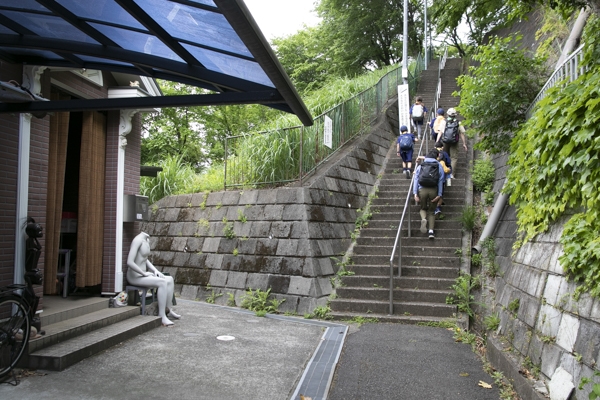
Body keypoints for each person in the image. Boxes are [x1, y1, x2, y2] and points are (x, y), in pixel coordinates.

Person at [127, 232, 180, 326]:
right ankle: (162, 315)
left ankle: (168, 310)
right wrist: (144, 273)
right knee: (162, 282)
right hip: (135, 276)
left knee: (169, 279)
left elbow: (145, 259)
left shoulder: (146, 240)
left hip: (144, 275)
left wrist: (156, 271)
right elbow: (130, 262)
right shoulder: (137, 240)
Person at [413, 149, 445, 239]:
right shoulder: (438, 165)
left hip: (422, 189)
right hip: (433, 190)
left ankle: (423, 219)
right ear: (437, 156)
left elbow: (416, 179)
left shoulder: (421, 165)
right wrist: (439, 194)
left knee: (423, 208)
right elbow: (441, 181)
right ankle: (431, 232)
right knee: (431, 211)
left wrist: (415, 193)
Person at [435, 107, 467, 178]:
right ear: (455, 115)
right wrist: (464, 144)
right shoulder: (458, 122)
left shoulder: (444, 121)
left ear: (447, 114)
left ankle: (444, 172)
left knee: (444, 155)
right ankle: (452, 174)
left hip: (445, 141)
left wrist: (437, 142)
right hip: (454, 142)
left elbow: (440, 132)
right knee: (454, 158)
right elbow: (462, 133)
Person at [434, 141, 452, 215]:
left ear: (435, 147)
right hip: (442, 176)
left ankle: (434, 207)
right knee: (440, 192)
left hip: (433, 175)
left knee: (434, 191)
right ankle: (438, 207)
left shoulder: (432, 153)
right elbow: (448, 163)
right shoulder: (445, 153)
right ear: (442, 147)